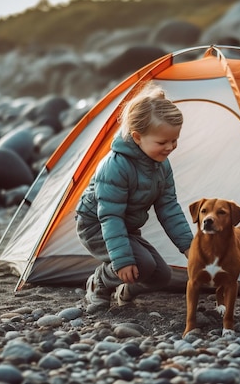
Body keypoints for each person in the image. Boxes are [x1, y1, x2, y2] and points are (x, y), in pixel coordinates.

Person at [75, 82, 192, 313]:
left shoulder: (161, 165)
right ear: (137, 137)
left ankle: (124, 290)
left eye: (174, 140)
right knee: (138, 264)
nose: (170, 147)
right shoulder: (115, 166)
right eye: (162, 142)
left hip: (123, 226)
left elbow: (168, 207)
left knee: (161, 276)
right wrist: (122, 260)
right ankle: (98, 282)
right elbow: (110, 216)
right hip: (96, 224)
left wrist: (189, 245)